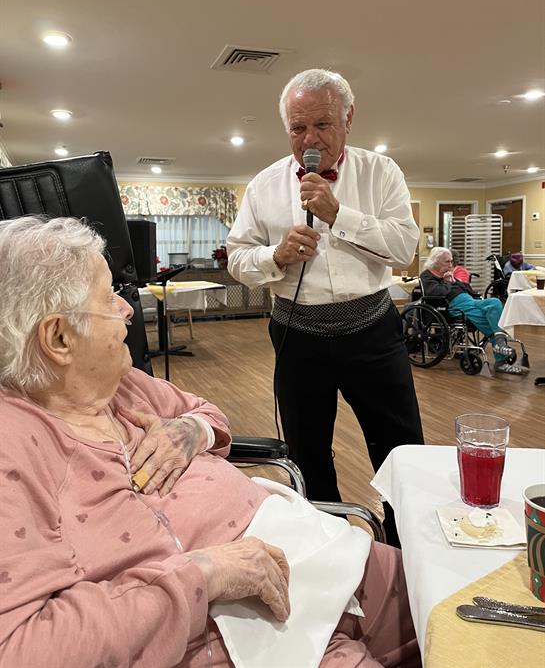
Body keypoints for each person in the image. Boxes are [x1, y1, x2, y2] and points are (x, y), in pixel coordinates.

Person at [0, 215, 421, 667]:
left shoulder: (126, 385)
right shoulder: (15, 446)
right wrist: (206, 574)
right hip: (241, 631)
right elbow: (21, 649)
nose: (128, 308)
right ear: (59, 337)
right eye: (109, 297)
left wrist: (192, 430)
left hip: (314, 554)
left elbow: (208, 414)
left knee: (453, 592)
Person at [227, 68, 424, 543]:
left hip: (372, 332)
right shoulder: (263, 185)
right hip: (297, 337)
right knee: (306, 451)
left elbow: (404, 248)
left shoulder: (381, 172)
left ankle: (407, 547)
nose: (309, 139)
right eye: (298, 128)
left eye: (322, 124)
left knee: (401, 448)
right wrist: (275, 256)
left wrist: (339, 215)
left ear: (348, 119)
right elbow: (237, 258)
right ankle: (330, 548)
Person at [420, 247, 525, 375]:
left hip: (470, 301)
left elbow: (467, 289)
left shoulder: (448, 274)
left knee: (495, 302)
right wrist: (447, 283)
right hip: (453, 306)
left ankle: (499, 343)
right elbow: (436, 294)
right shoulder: (427, 276)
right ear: (436, 262)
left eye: (451, 261)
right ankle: (500, 360)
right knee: (488, 320)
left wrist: (455, 281)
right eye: (447, 261)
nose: (451, 265)